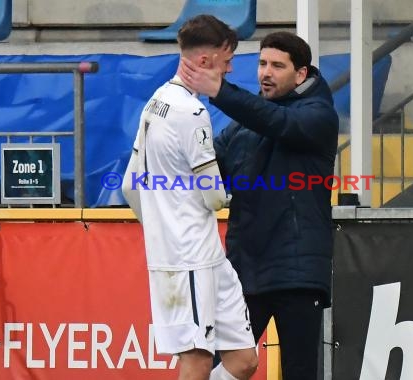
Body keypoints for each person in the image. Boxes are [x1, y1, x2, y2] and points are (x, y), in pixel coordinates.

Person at [180, 31, 339, 380]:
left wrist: (220, 91)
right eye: (262, 63)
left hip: (297, 273)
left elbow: (277, 122)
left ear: (301, 74)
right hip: (246, 269)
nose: (266, 72)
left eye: (277, 66)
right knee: (230, 366)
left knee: (300, 373)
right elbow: (208, 163)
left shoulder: (319, 115)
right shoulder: (245, 121)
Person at [122, 14, 258, 380]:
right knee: (197, 360)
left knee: (244, 360)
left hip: (206, 256)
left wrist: (159, 224)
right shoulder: (192, 111)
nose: (229, 70)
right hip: (188, 259)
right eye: (227, 61)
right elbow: (214, 197)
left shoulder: (156, 102)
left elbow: (129, 186)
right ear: (204, 61)